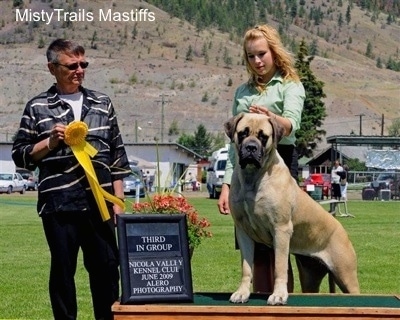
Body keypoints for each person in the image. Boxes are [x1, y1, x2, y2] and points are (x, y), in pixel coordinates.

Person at [12, 39, 131, 320]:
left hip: (100, 204)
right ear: (52, 68)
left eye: (83, 64)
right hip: (59, 205)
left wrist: (119, 201)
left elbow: (117, 154)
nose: (79, 70)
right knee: (63, 271)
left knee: (106, 268)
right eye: (71, 66)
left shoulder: (102, 103)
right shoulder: (37, 107)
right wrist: (50, 142)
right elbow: (21, 156)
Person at [217, 24, 305, 293]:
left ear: (274, 52)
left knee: (281, 241)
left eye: (262, 54)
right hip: (243, 169)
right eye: (251, 56)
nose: (257, 61)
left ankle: (281, 296)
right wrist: (227, 184)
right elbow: (234, 142)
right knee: (252, 240)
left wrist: (270, 118)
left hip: (279, 164)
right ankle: (256, 299)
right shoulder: (242, 92)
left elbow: (292, 125)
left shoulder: (290, 86)